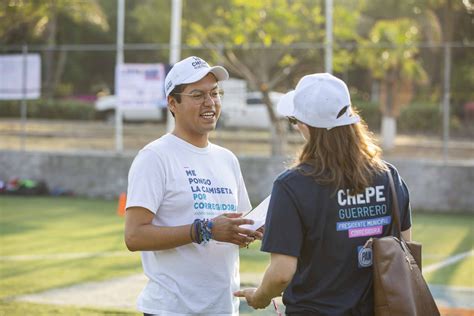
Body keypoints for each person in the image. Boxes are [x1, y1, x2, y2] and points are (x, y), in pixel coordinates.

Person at [235, 73, 412, 315]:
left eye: (294, 120)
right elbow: (406, 249)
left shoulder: (291, 185)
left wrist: (259, 297)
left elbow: (281, 274)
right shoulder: (389, 176)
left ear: (306, 126)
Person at [124, 56, 262, 316]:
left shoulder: (227, 159)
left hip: (223, 309)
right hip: (171, 310)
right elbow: (134, 236)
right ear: (172, 103)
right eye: (197, 95)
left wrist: (252, 229)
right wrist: (205, 229)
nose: (210, 102)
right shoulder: (154, 157)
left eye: (215, 93)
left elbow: (237, 224)